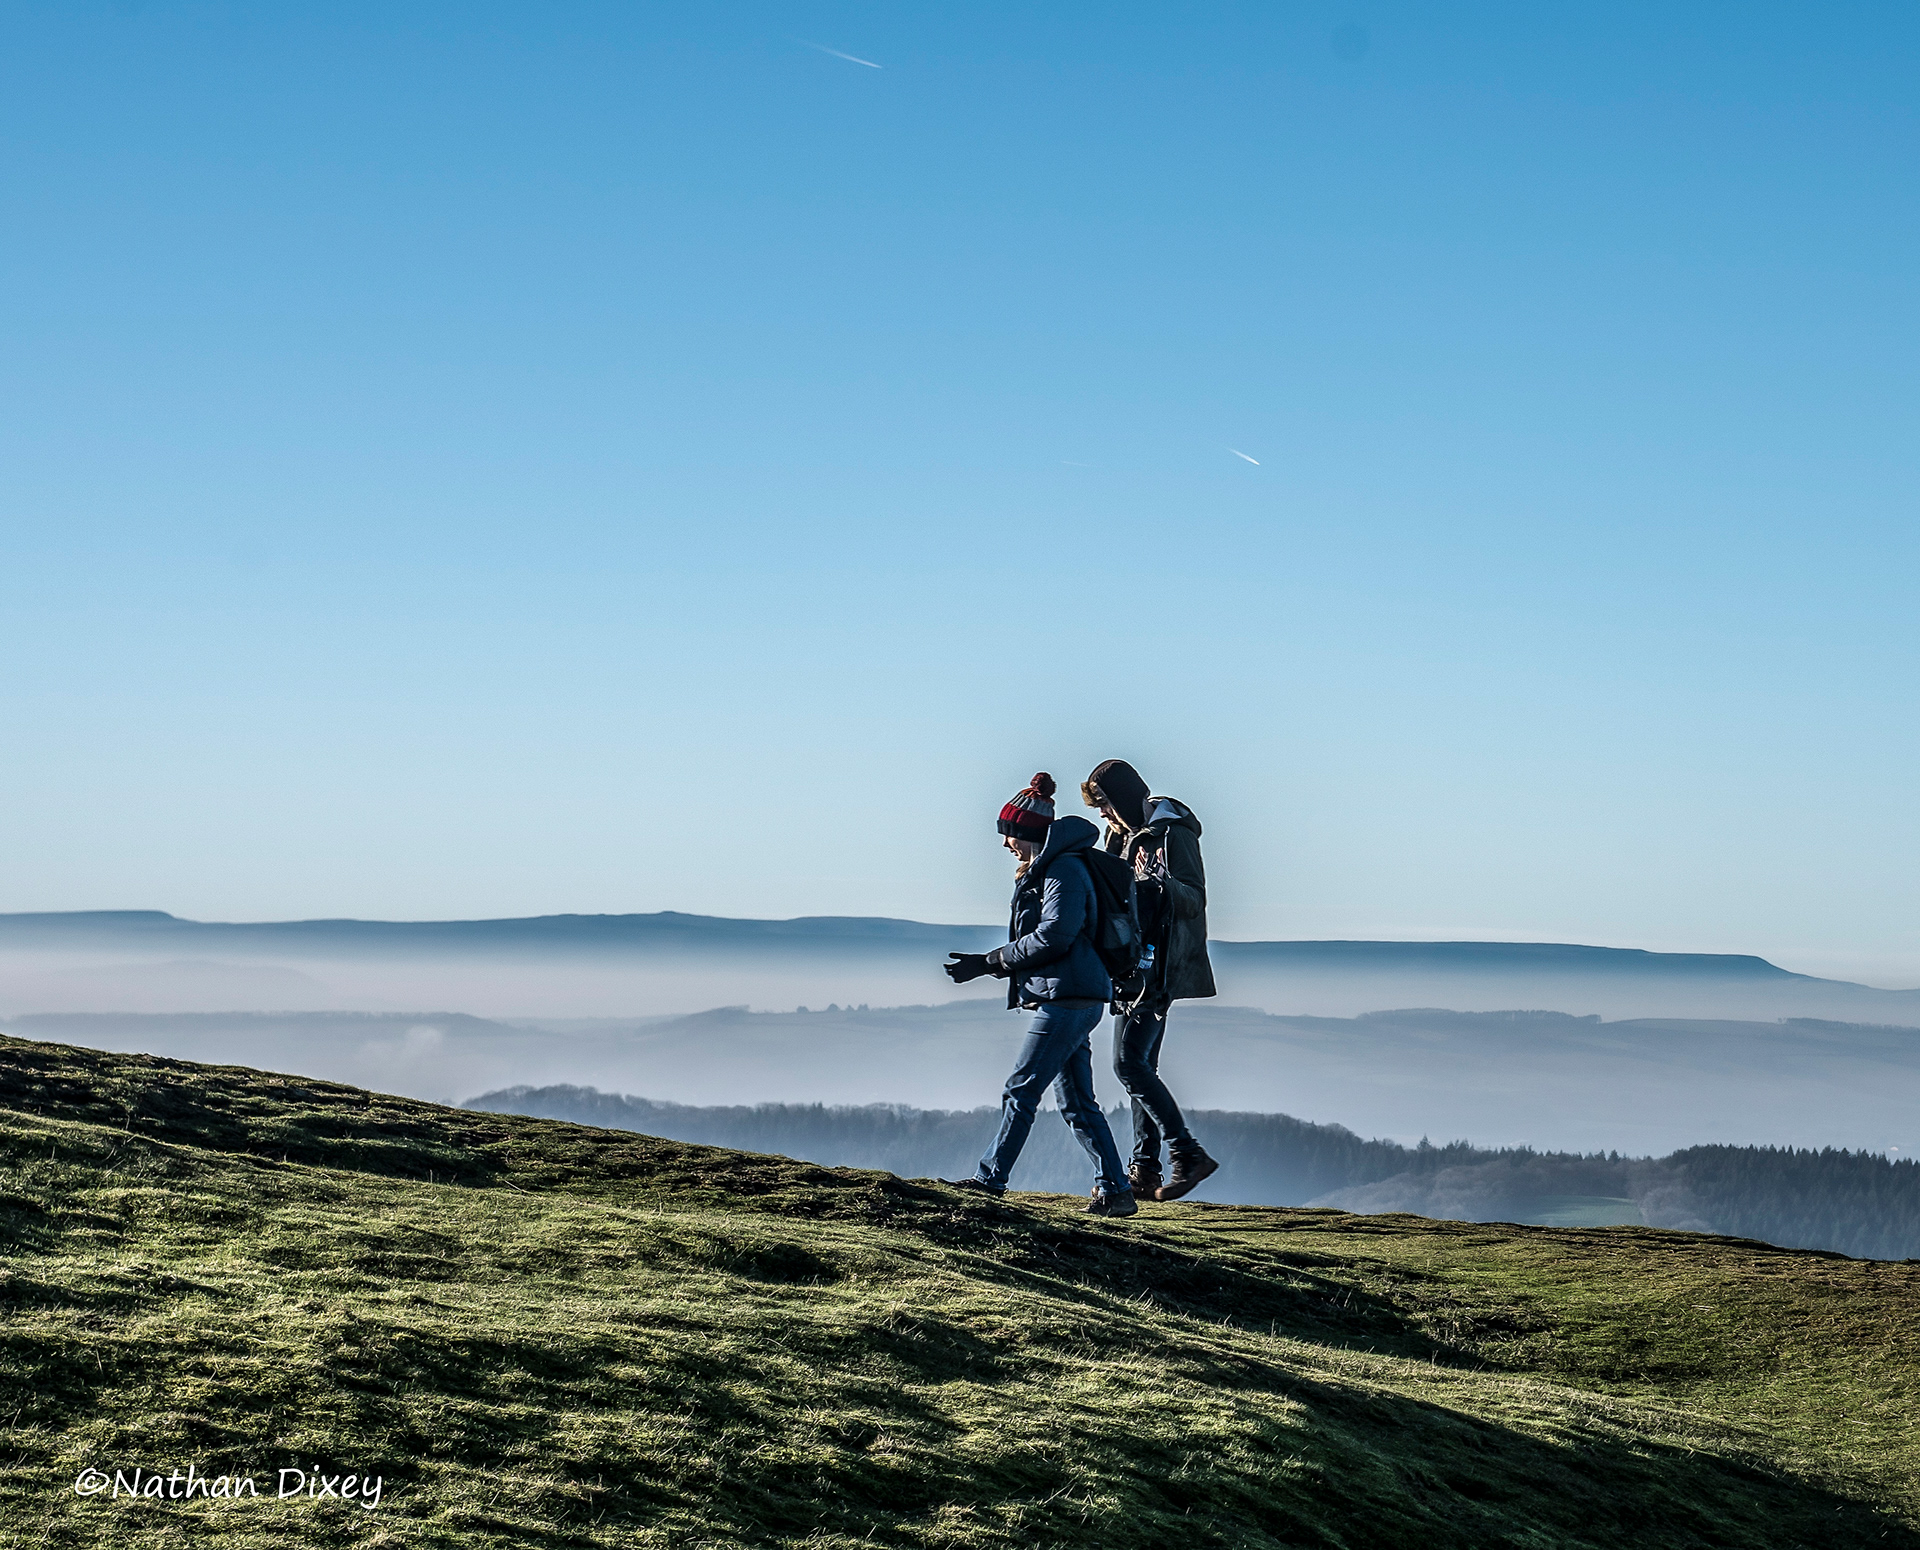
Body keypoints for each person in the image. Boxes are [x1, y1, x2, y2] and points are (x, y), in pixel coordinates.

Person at [941, 773, 1137, 1217]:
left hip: (1069, 997)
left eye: (1008, 834)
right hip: (1074, 994)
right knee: (1076, 1102)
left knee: (1021, 1089)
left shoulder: (1062, 869)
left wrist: (990, 962)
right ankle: (1117, 1192)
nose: (1005, 844)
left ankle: (989, 1181)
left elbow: (1055, 935)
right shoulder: (1055, 867)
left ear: (1026, 833)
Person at [1082, 758, 1220, 1202]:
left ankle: (1187, 1154)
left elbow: (1194, 898)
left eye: (1105, 805)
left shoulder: (1172, 834)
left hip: (1158, 966)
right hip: (1129, 966)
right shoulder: (1119, 836)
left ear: (1121, 798)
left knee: (1129, 1064)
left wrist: (1158, 883)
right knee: (1140, 1066)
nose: (1103, 814)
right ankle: (1144, 1170)